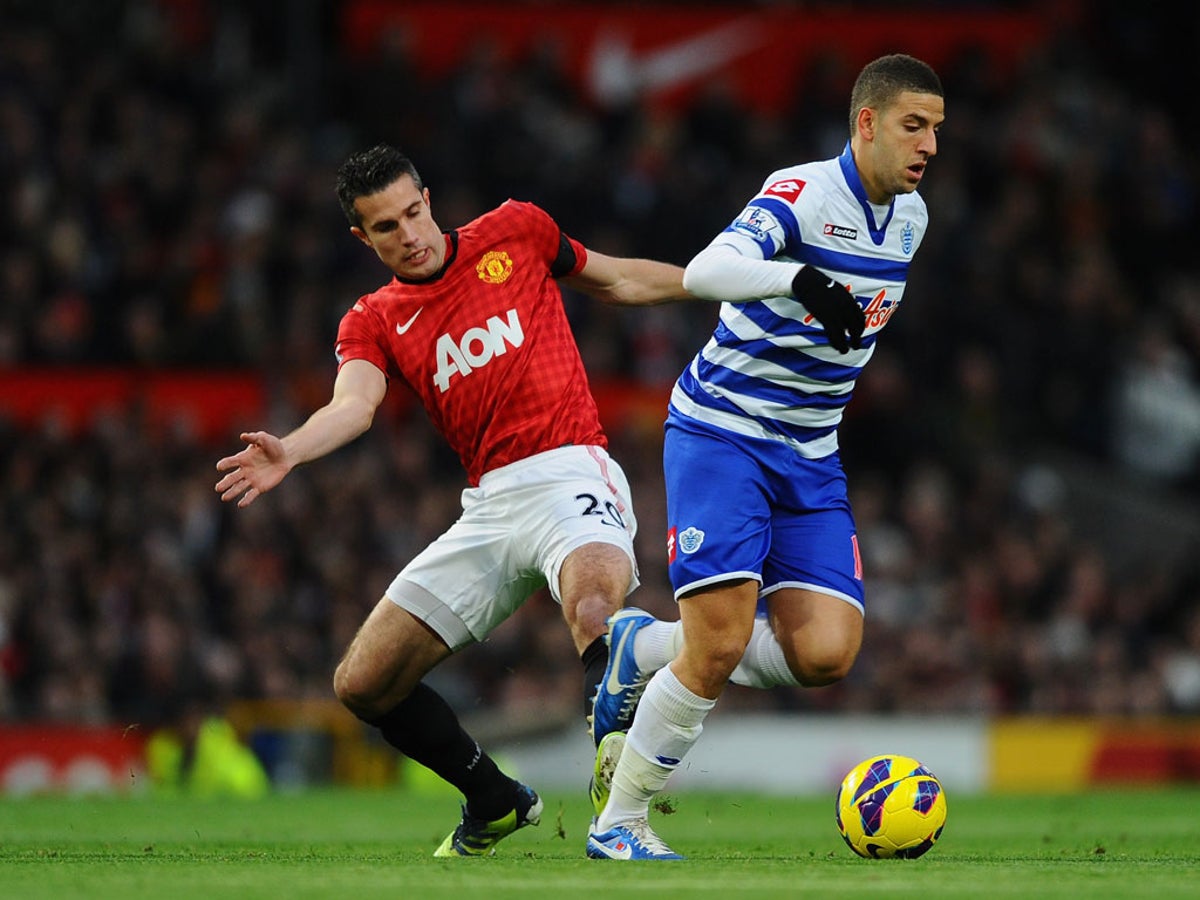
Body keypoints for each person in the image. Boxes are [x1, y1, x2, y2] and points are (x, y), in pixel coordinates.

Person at [214, 143, 689, 856]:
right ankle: (494, 800)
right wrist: (294, 449)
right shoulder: (373, 319)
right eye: (384, 227)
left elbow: (618, 280)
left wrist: (722, 281)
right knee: (365, 683)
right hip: (491, 507)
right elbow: (354, 405)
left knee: (596, 612)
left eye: (412, 213)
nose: (407, 236)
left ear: (428, 199)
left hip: (571, 471)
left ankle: (624, 816)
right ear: (361, 237)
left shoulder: (515, 231)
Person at [586, 53, 946, 860]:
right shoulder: (803, 191)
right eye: (912, 125)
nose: (928, 145)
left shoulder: (914, 220)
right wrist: (799, 281)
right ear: (866, 123)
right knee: (716, 644)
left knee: (826, 654)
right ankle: (621, 824)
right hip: (724, 432)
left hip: (811, 455)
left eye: (936, 130)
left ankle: (638, 647)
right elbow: (709, 270)